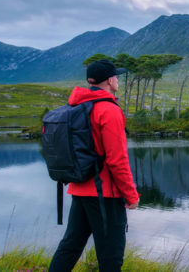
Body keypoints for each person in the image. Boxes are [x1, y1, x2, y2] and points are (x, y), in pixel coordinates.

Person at [49, 59, 140, 272]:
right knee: (111, 257)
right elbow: (117, 160)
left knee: (70, 247)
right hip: (105, 195)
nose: (118, 80)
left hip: (79, 188)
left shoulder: (78, 106)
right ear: (109, 80)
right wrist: (131, 195)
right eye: (116, 76)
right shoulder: (109, 110)